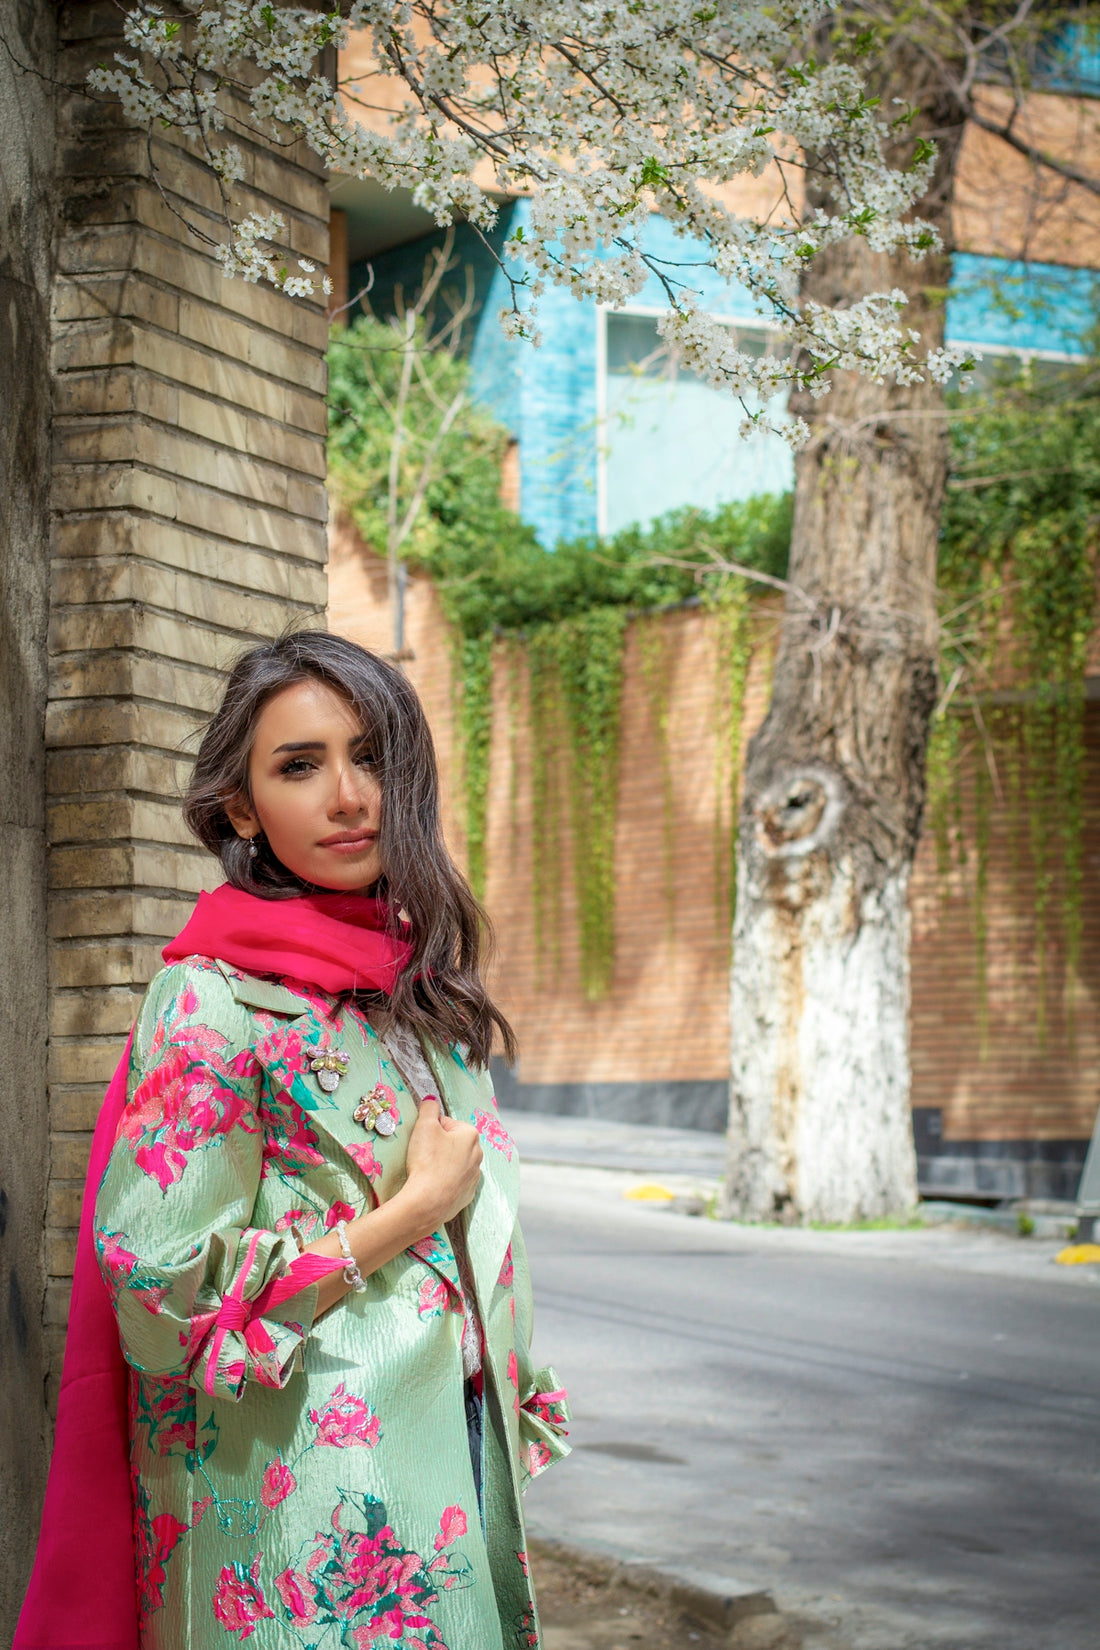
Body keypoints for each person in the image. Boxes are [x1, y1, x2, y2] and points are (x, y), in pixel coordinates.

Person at [16, 631, 568, 1650]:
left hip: (445, 1467)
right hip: (300, 1518)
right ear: (240, 807)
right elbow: (160, 1281)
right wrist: (405, 1216)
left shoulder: (419, 997)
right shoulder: (215, 1000)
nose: (347, 796)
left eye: (371, 758)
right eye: (299, 766)